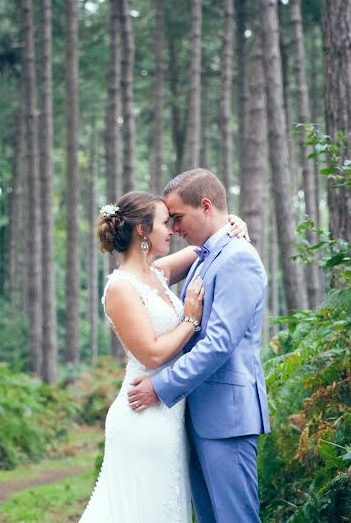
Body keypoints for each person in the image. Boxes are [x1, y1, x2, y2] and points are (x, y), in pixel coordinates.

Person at [79, 190, 247, 523]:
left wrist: (231, 223)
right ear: (142, 229)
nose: (170, 229)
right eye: (163, 222)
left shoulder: (155, 274)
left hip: (168, 414)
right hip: (143, 414)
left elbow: (204, 245)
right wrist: (190, 320)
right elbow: (153, 354)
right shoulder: (121, 287)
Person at [127, 168, 271, 523]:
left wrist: (159, 388)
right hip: (198, 414)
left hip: (227, 417)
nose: (174, 228)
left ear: (205, 206)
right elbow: (146, 274)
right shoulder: (205, 256)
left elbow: (219, 344)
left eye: (177, 218)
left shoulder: (238, 258)